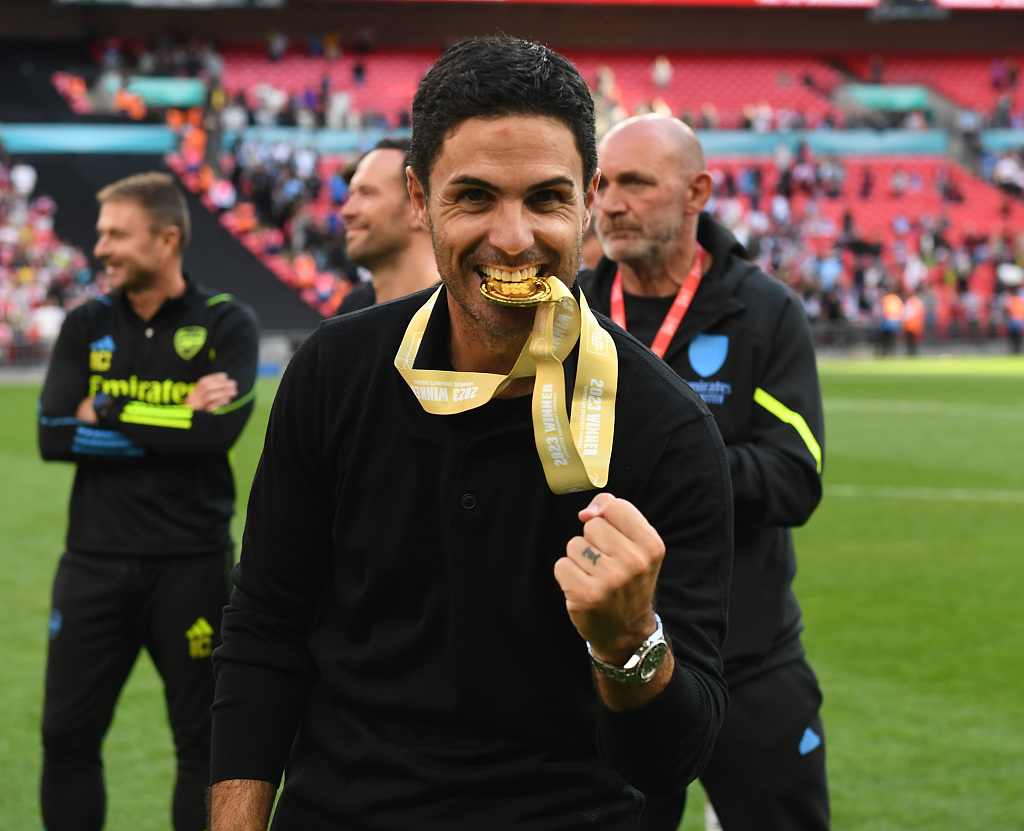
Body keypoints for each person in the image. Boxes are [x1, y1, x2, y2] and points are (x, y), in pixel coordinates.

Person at [209, 36, 733, 831]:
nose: (515, 237)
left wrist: (630, 644)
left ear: (589, 200)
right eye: (475, 197)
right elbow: (265, 631)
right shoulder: (335, 371)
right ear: (420, 200)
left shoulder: (668, 429)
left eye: (548, 199)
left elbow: (668, 761)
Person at [579, 114, 828, 831]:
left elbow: (795, 474)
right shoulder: (575, 312)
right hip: (614, 660)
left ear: (697, 193)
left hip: (747, 658)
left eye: (636, 183)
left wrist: (673, 460)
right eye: (602, 184)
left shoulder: (763, 310)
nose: (611, 203)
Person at [37, 171, 260, 831]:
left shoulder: (226, 322)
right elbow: (53, 435)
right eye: (101, 233)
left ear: (167, 238)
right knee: (65, 737)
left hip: (190, 566)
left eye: (115, 233)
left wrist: (104, 410)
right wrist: (170, 420)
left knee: (202, 746)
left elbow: (216, 432)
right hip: (93, 565)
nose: (100, 246)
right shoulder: (85, 324)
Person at [337, 136, 440, 313]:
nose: (347, 211)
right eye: (351, 194)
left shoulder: (456, 317)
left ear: (419, 205)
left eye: (367, 193)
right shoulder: (353, 309)